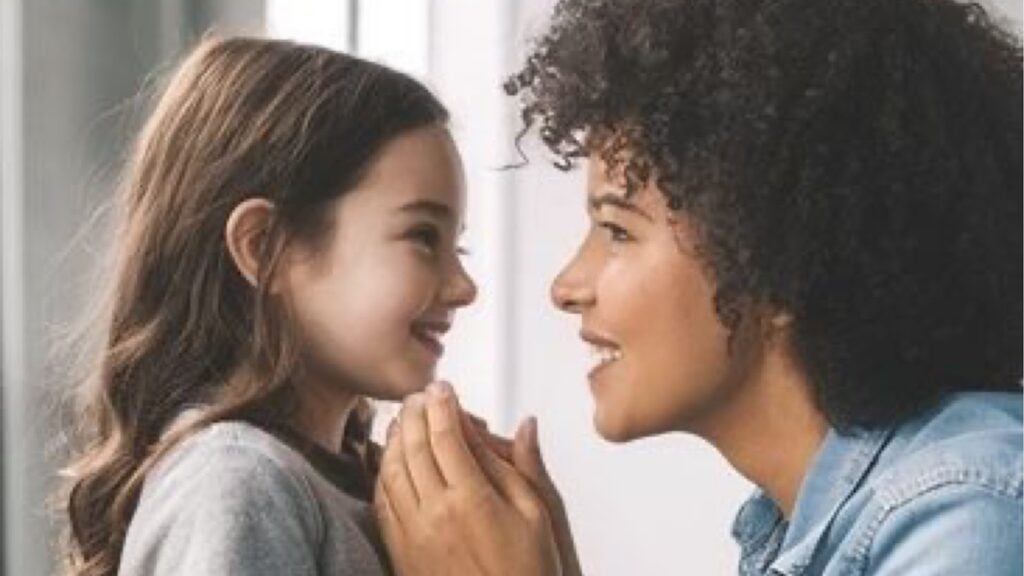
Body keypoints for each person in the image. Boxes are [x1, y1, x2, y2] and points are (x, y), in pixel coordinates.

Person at [375, 0, 1023, 573]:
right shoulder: (792, 526)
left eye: (617, 230)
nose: (566, 285)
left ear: (775, 257)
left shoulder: (968, 511)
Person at [59, 35, 476, 576]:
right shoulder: (239, 482)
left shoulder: (348, 488)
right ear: (265, 248)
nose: (464, 286)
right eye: (423, 237)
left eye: (457, 245)